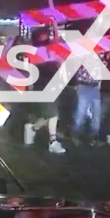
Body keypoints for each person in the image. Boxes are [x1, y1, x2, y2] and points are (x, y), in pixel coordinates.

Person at [23, 22, 66, 154]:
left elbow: (60, 60)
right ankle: (52, 142)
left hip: (52, 83)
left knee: (49, 115)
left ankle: (32, 128)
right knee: (53, 113)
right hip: (42, 84)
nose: (45, 36)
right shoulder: (33, 50)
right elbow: (28, 66)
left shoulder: (52, 47)